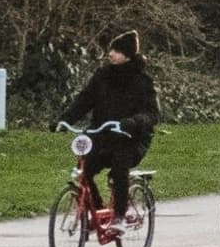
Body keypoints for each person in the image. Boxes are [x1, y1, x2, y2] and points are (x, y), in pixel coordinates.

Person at [57, 31, 159, 225]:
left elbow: (152, 114)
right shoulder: (102, 76)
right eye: (111, 49)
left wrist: (133, 121)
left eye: (116, 51)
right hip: (102, 135)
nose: (110, 54)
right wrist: (64, 121)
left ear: (127, 55)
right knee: (84, 169)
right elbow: (84, 100)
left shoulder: (142, 81)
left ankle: (119, 216)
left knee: (120, 168)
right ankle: (97, 211)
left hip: (131, 138)